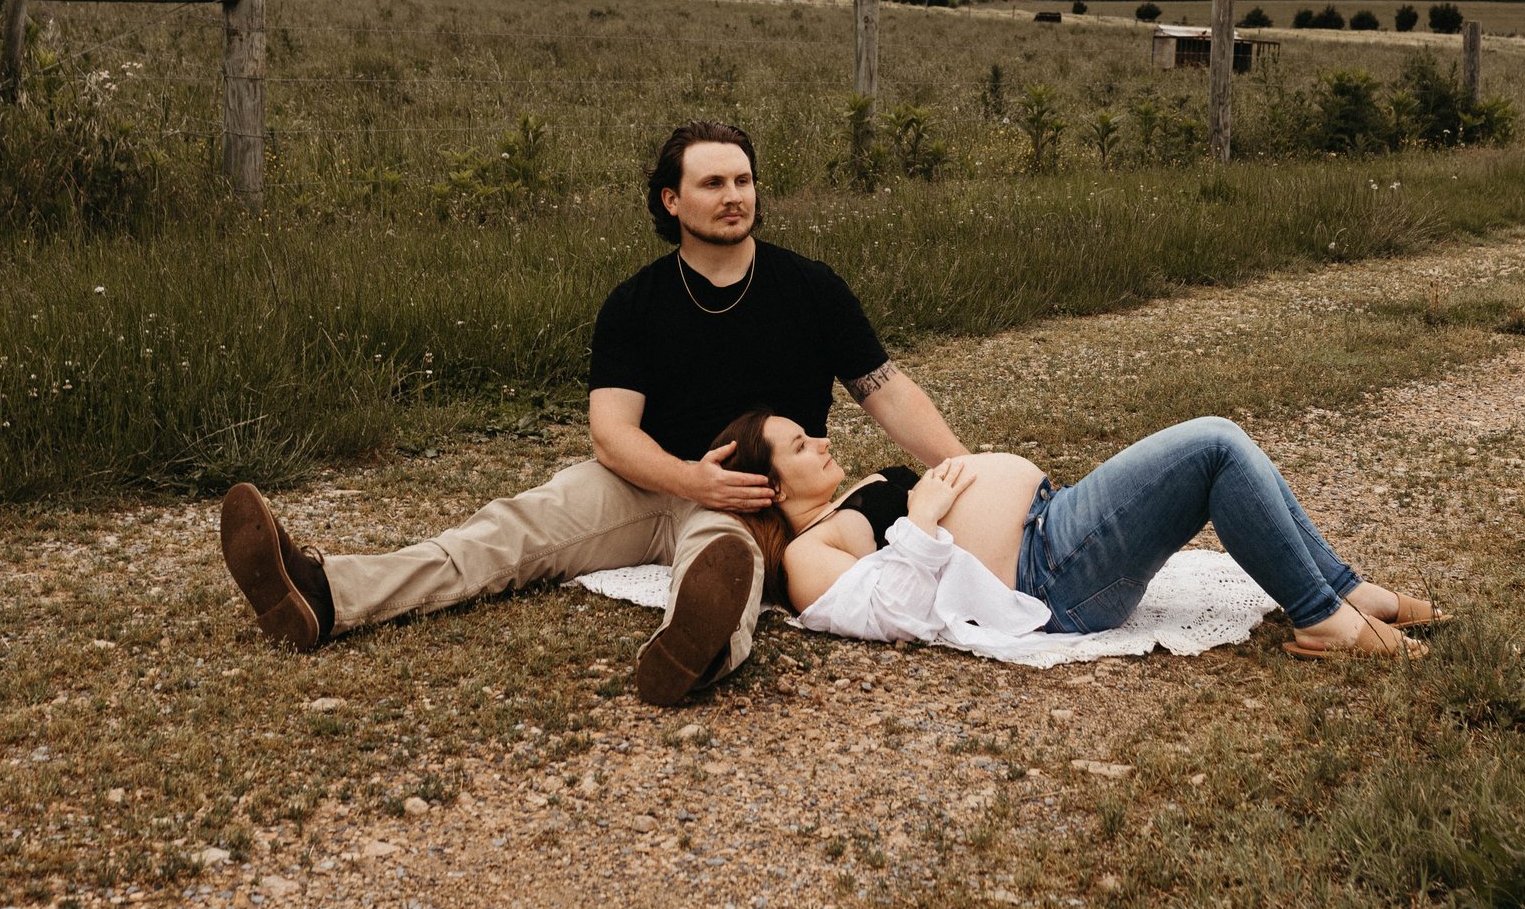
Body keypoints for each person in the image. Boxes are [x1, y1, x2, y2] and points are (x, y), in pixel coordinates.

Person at [216, 121, 970, 705]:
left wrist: (965, 469)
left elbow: (886, 387)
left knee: (726, 565)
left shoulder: (811, 288)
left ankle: (698, 650)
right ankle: (325, 595)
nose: (734, 195)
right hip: (650, 479)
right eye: (712, 182)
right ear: (672, 200)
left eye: (743, 179)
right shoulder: (635, 304)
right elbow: (611, 432)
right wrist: (686, 479)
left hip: (753, 496)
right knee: (509, 527)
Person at [718, 411, 1443, 658]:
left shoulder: (843, 500)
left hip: (1053, 527)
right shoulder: (809, 553)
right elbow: (889, 614)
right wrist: (922, 522)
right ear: (773, 486)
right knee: (1215, 446)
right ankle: (1325, 618)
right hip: (1052, 573)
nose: (818, 439)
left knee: (1227, 447)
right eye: (796, 444)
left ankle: (1346, 590)